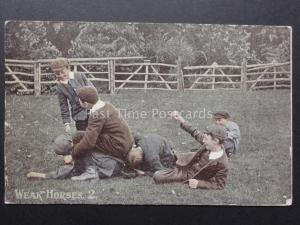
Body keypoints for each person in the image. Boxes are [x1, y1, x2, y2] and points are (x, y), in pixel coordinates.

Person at [65, 86, 134, 166]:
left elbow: (89, 142)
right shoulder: (106, 105)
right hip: (125, 142)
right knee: (78, 136)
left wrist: (73, 154)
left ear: (86, 103)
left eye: (79, 100)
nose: (78, 101)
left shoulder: (96, 114)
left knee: (80, 139)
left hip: (119, 146)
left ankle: (81, 162)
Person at [153, 124, 229, 190]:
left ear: (216, 141)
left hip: (186, 174)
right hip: (185, 161)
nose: (203, 141)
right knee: (160, 157)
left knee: (157, 176)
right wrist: (181, 120)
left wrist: (199, 183)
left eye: (206, 139)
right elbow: (194, 132)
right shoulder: (210, 144)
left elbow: (220, 184)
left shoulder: (222, 163)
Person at [26, 133, 125, 181]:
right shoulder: (84, 142)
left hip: (111, 167)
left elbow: (62, 172)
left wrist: (40, 175)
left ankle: (91, 172)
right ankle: (91, 171)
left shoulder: (79, 154)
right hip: (118, 162)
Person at [50, 58, 95, 132]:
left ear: (68, 68)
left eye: (62, 72)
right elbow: (63, 106)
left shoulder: (79, 76)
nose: (61, 75)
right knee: (82, 136)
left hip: (92, 111)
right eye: (57, 73)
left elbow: (92, 89)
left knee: (95, 134)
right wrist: (66, 123)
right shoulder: (60, 87)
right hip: (79, 116)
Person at [170, 111, 240, 157]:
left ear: (227, 119)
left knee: (201, 151)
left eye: (219, 120)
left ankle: (181, 157)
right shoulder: (217, 130)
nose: (217, 122)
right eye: (215, 120)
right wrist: (182, 120)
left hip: (223, 149)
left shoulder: (231, 128)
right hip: (217, 147)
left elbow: (233, 134)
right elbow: (198, 135)